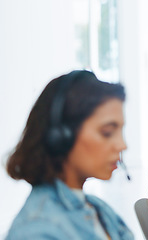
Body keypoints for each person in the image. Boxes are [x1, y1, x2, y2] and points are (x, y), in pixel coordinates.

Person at [5, 70, 133, 240]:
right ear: (61, 137)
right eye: (107, 132)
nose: (122, 145)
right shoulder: (35, 230)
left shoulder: (99, 210)